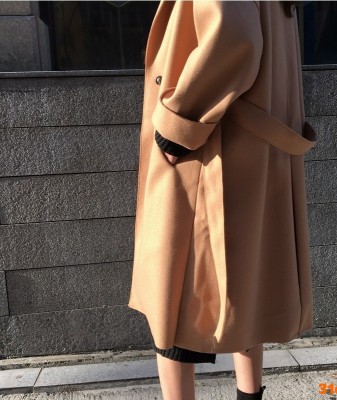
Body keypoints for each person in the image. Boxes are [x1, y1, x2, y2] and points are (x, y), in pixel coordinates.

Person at [128, 1, 317, 399]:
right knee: (246, 291)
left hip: (208, 153)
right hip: (252, 156)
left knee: (174, 305)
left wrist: (179, 123)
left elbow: (233, 36)